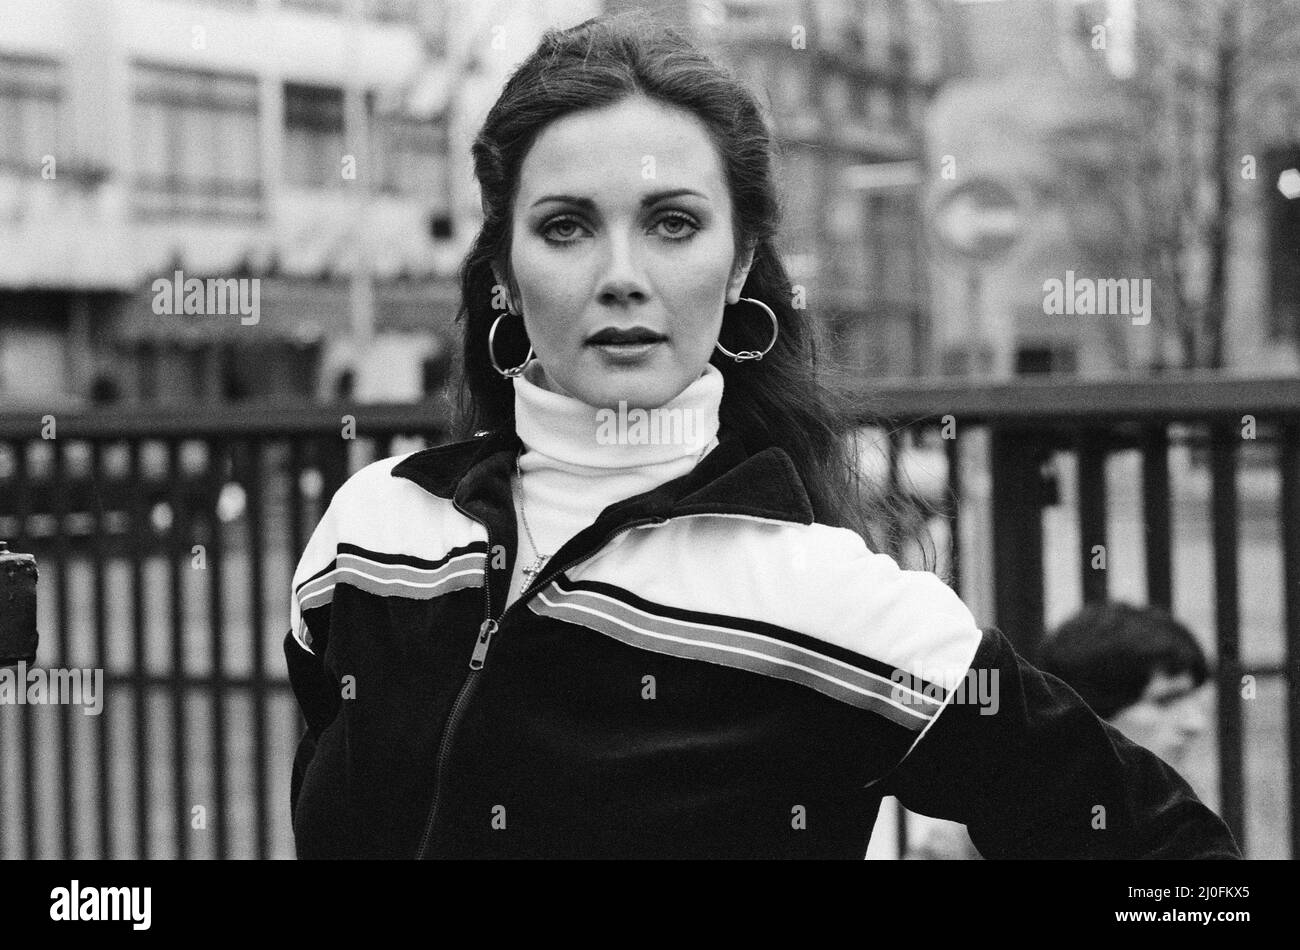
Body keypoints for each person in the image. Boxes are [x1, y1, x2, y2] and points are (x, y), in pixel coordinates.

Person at [282, 13, 1239, 859]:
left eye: (671, 223)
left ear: (740, 262)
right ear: (503, 267)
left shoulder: (833, 606)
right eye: (568, 226)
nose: (622, 275)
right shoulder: (366, 539)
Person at [905, 601, 1213, 860]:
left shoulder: (1183, 812)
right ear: (1090, 709)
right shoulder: (971, 831)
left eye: (1194, 698)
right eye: (1165, 700)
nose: (1194, 724)